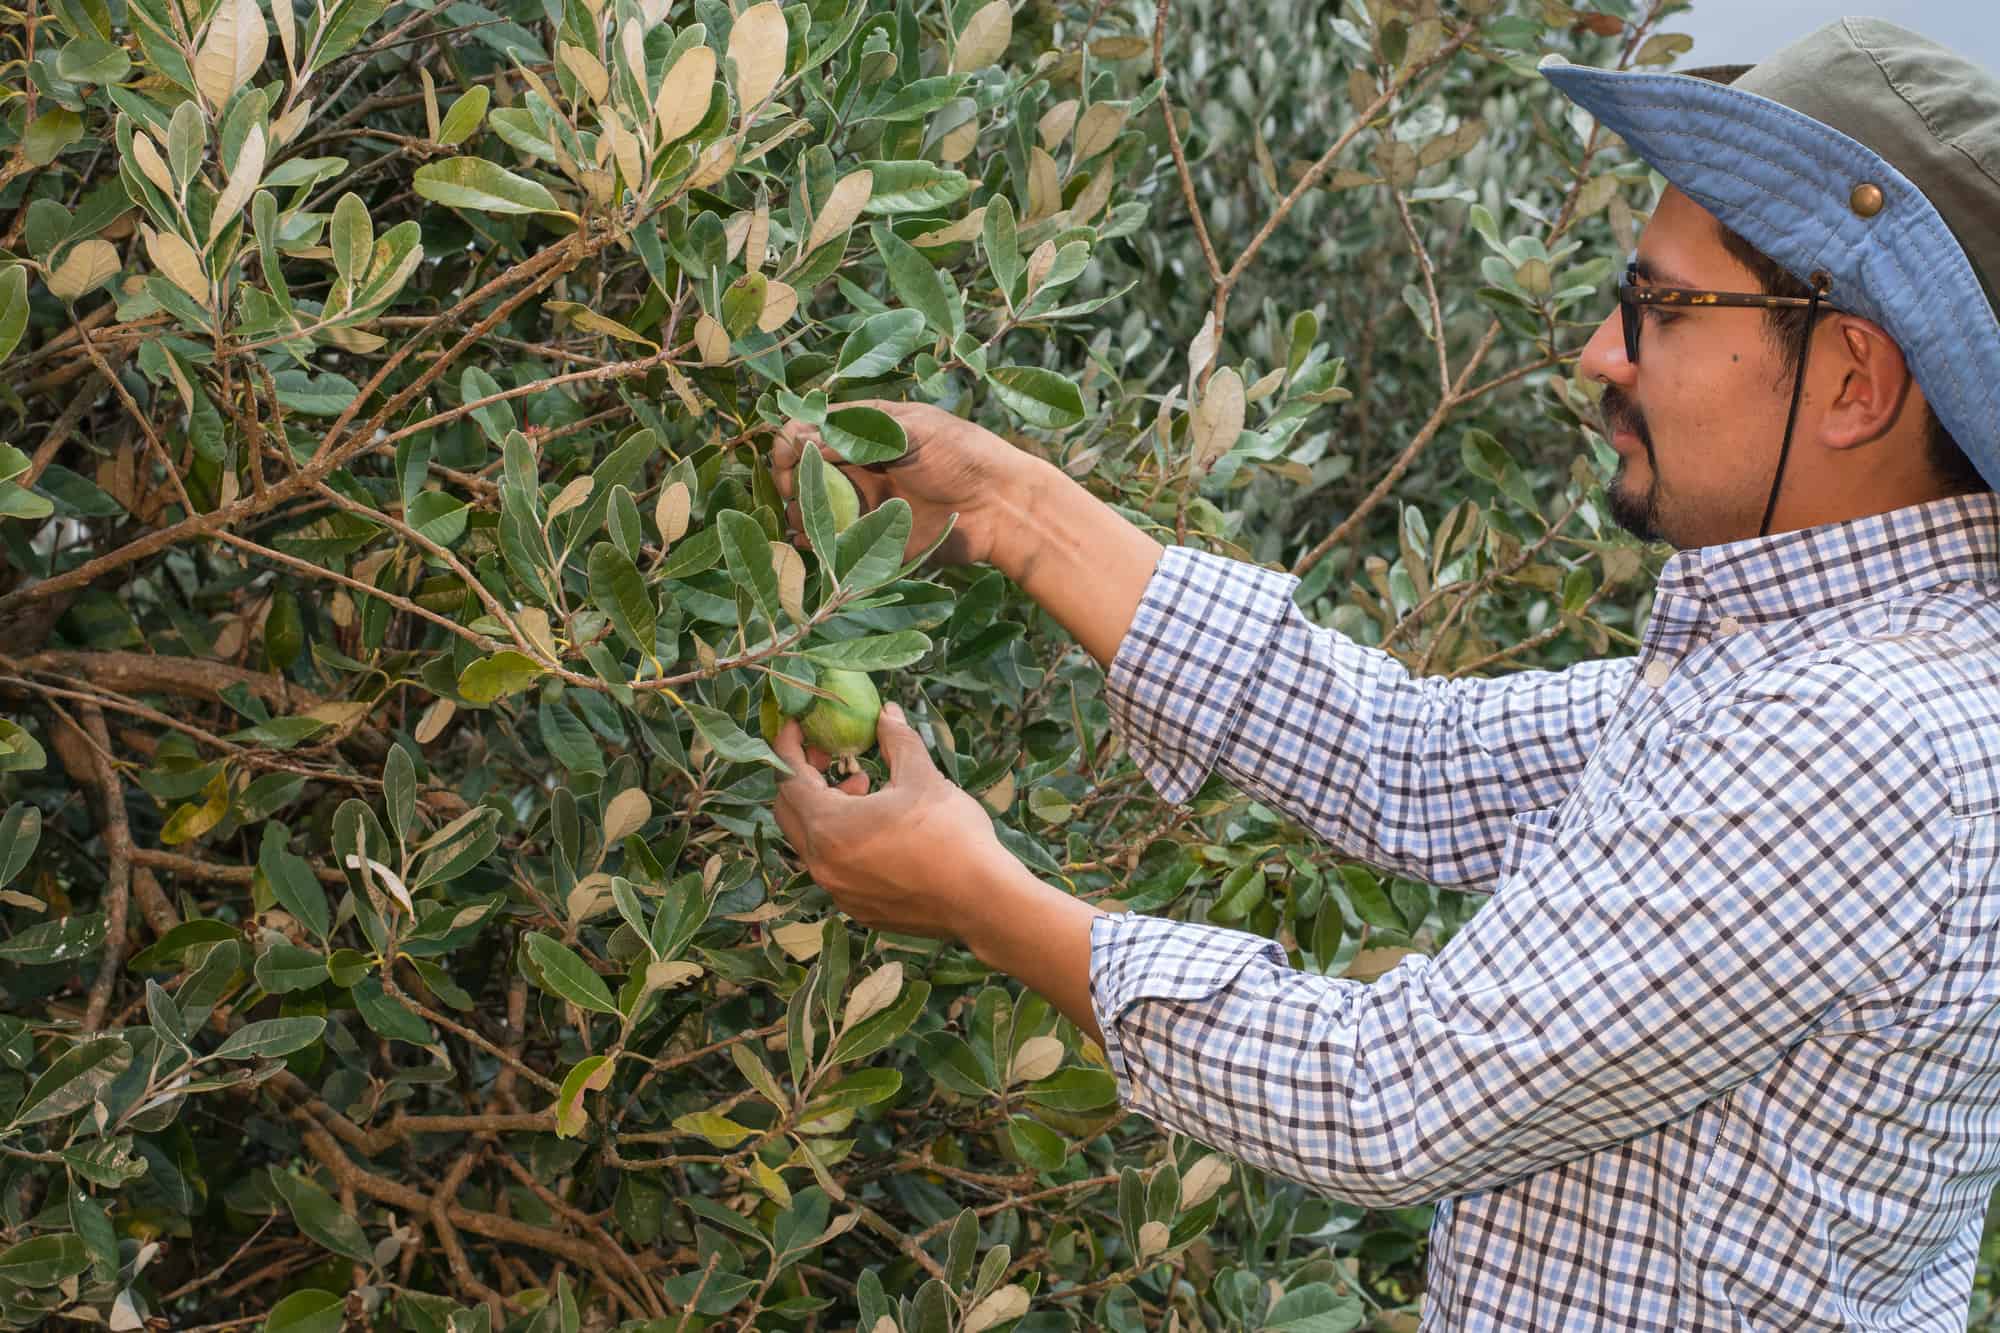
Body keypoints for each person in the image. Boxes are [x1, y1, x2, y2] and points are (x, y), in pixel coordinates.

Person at [767, 19, 2000, 1331]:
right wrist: (1008, 504)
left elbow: (1388, 1094)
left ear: (1855, 383)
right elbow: (1409, 756)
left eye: (1660, 308)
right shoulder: (1801, 666)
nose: (1602, 352)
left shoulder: (1857, 736)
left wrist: (979, 896)